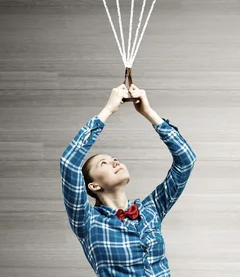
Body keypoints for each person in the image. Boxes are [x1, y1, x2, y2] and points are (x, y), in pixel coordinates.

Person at [59, 82, 197, 276]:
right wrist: (108, 110)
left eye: (114, 159)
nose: (114, 162)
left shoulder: (151, 209)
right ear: (93, 185)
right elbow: (68, 163)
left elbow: (186, 161)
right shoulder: (87, 222)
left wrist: (148, 112)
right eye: (103, 163)